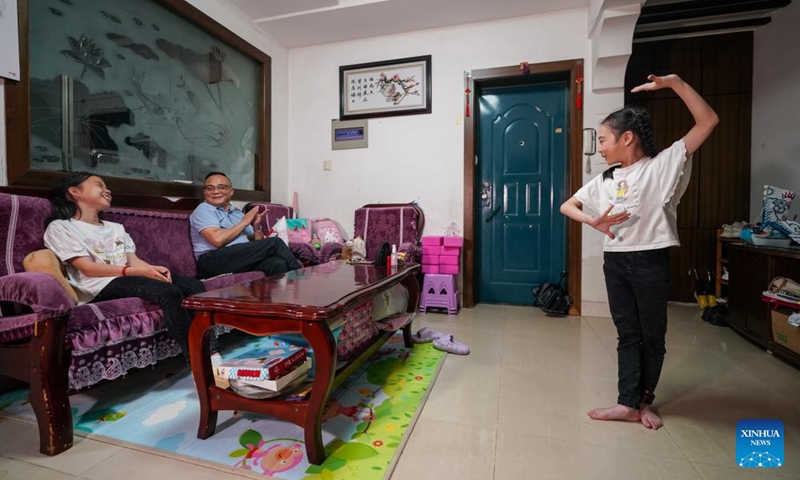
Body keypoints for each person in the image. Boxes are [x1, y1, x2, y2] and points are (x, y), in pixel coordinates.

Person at [560, 74, 719, 430]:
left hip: (650, 259)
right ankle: (627, 402)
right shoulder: (604, 179)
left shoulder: (662, 166)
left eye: (603, 140)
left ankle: (645, 401)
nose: (599, 148)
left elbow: (707, 121)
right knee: (627, 333)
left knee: (652, 335)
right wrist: (593, 221)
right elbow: (567, 205)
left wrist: (676, 84)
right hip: (615, 261)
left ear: (626, 137)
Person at [43, 172, 211, 363]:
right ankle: (197, 359)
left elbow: (133, 260)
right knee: (169, 292)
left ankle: (210, 350)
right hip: (96, 285)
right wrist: (132, 271)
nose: (107, 190)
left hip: (127, 276)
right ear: (74, 192)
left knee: (194, 287)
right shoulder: (61, 227)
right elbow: (87, 268)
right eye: (99, 185)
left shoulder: (116, 228)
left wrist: (151, 270)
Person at [190, 172, 302, 279]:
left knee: (277, 264)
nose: (215, 192)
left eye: (221, 187)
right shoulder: (203, 210)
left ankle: (282, 297)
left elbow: (256, 242)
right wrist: (244, 222)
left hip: (238, 258)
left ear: (231, 191)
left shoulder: (237, 213)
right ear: (204, 192)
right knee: (275, 242)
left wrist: (257, 228)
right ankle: (301, 280)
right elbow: (217, 240)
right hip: (212, 261)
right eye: (210, 188)